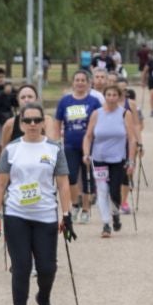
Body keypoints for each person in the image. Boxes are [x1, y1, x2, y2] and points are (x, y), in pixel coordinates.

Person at [0, 101, 75, 305]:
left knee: (47, 268)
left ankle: (44, 298)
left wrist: (66, 215)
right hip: (16, 215)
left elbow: (63, 184)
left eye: (36, 120)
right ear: (21, 123)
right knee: (21, 268)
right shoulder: (12, 150)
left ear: (43, 123)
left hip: (45, 216)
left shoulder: (54, 149)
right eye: (27, 120)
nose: (32, 124)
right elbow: (0, 184)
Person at [84, 82, 139, 237]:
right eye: (108, 95)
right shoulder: (97, 114)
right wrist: (86, 153)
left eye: (114, 95)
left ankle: (115, 214)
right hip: (99, 158)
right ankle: (106, 224)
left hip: (118, 159)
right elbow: (88, 136)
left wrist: (131, 160)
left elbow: (131, 139)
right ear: (105, 97)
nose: (111, 98)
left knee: (114, 191)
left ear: (119, 97)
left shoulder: (125, 114)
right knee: (102, 190)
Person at [52, 70, 99, 224]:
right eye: (77, 80)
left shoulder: (93, 102)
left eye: (83, 80)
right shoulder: (65, 101)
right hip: (70, 145)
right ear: (73, 83)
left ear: (88, 83)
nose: (80, 83)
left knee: (88, 178)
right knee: (71, 177)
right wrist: (56, 141)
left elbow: (100, 121)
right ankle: (75, 204)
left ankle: (86, 209)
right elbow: (57, 122)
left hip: (90, 146)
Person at [0, 82, 40, 150]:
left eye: (30, 97)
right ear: (18, 100)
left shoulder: (47, 121)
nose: (26, 100)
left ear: (37, 99)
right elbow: (4, 151)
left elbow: (52, 148)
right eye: (23, 97)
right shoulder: (9, 124)